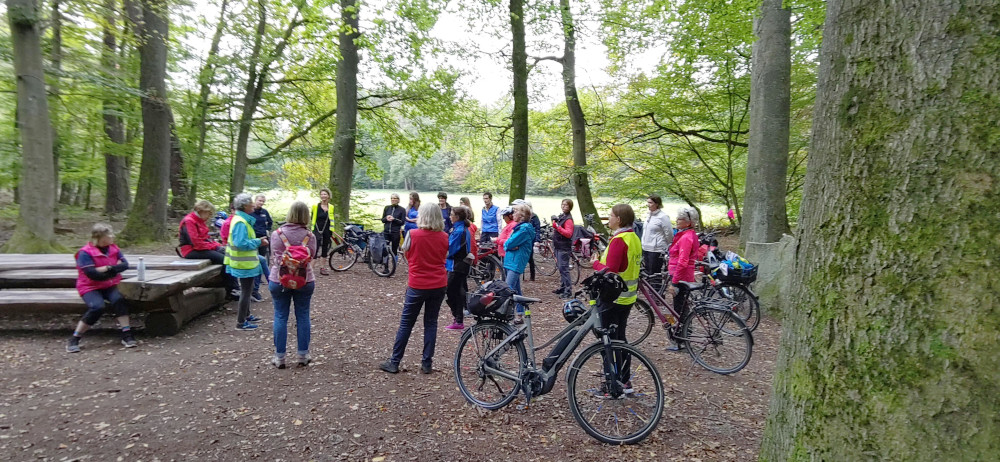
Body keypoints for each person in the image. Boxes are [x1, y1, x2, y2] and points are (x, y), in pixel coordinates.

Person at [379, 202, 449, 375]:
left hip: (417, 284)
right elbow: (444, 256)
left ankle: (394, 361)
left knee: (406, 323)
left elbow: (408, 255)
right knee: (431, 323)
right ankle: (426, 363)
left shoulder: (413, 234)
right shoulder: (444, 236)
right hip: (439, 283)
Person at [590, 204, 641, 387]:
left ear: (619, 219)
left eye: (610, 215)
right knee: (620, 339)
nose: (608, 218)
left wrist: (595, 263)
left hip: (613, 298)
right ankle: (624, 380)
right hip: (627, 297)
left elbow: (611, 270)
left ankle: (612, 383)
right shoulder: (634, 237)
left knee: (608, 341)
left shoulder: (620, 240)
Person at [66, 223, 137, 352]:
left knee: (119, 300)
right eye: (110, 234)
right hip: (90, 287)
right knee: (97, 307)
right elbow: (92, 275)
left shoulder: (114, 248)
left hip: (111, 285)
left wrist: (108, 268)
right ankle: (75, 338)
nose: (113, 236)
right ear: (101, 237)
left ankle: (127, 334)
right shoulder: (85, 253)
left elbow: (125, 265)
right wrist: (114, 269)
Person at [268, 201, 318, 369]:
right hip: (304, 280)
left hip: (279, 280)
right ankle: (303, 355)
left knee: (280, 316)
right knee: (303, 316)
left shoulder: (277, 234)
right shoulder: (310, 236)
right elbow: (312, 257)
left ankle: (280, 357)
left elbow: (274, 258)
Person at [179, 200, 239, 298]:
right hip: (191, 251)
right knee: (225, 260)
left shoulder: (200, 221)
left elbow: (206, 238)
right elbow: (196, 243)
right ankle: (232, 290)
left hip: (202, 248)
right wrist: (214, 247)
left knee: (228, 255)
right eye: (209, 213)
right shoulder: (189, 221)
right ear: (201, 210)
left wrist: (218, 246)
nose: (209, 216)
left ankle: (233, 288)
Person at [226, 193, 269, 330]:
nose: (253, 204)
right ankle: (241, 322)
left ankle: (246, 314)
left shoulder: (241, 220)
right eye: (251, 202)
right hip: (243, 263)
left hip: (245, 263)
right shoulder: (240, 222)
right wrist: (258, 242)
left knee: (248, 290)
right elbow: (240, 243)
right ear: (245, 206)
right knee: (245, 292)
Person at [666, 207, 700, 351]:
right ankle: (681, 338)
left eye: (680, 219)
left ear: (688, 222)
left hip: (681, 277)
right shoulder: (686, 234)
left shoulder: (686, 238)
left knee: (680, 310)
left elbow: (683, 261)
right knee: (681, 309)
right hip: (681, 275)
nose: (676, 221)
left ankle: (682, 340)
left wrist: (674, 282)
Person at [503, 204, 536, 324]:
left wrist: (509, 246)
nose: (512, 215)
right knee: (516, 289)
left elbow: (508, 243)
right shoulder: (520, 227)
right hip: (512, 261)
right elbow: (510, 244)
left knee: (508, 288)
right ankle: (520, 314)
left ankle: (506, 314)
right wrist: (510, 246)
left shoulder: (524, 229)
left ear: (521, 216)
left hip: (516, 262)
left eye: (515, 212)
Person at [444, 206, 473, 331]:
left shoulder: (459, 231)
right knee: (459, 291)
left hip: (456, 265)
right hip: (461, 264)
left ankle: (458, 318)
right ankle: (459, 319)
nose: (450, 216)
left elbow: (450, 249)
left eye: (451, 214)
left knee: (450, 291)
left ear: (457, 217)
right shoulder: (461, 228)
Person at [641, 195, 673, 282]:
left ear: (657, 204)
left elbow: (669, 233)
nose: (648, 204)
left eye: (650, 202)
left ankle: (657, 292)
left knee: (654, 273)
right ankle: (650, 292)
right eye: (647, 202)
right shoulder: (648, 215)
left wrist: (665, 245)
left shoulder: (663, 217)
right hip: (646, 247)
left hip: (656, 249)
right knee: (647, 272)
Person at [250, 194, 273, 302]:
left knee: (261, 261)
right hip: (253, 240)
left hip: (263, 238)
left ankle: (257, 286)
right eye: (259, 200)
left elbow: (270, 222)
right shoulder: (250, 212)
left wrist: (267, 230)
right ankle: (255, 289)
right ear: (255, 200)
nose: (261, 203)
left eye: (263, 201)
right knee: (257, 262)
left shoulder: (264, 212)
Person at [551, 199, 575, 298]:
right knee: (561, 268)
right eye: (563, 204)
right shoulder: (562, 216)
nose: (564, 206)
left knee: (564, 269)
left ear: (570, 207)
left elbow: (568, 234)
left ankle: (568, 291)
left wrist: (557, 227)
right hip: (558, 246)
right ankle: (562, 287)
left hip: (563, 247)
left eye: (566, 205)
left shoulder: (568, 219)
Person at [310, 188, 334, 276]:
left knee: (325, 248)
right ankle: (311, 269)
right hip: (317, 229)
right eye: (322, 194)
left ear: (328, 196)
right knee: (315, 248)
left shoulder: (331, 207)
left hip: (327, 230)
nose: (323, 196)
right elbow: (312, 218)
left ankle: (322, 268)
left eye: (325, 194)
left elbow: (331, 219)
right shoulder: (315, 206)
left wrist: (332, 230)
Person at [381, 193, 406, 258]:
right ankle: (385, 264)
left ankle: (394, 262)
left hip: (395, 232)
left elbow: (402, 222)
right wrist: (386, 218)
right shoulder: (387, 208)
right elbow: (382, 220)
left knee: (394, 249)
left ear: (398, 200)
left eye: (395, 198)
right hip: (386, 232)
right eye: (392, 198)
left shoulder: (402, 210)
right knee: (385, 249)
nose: (393, 200)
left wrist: (394, 219)